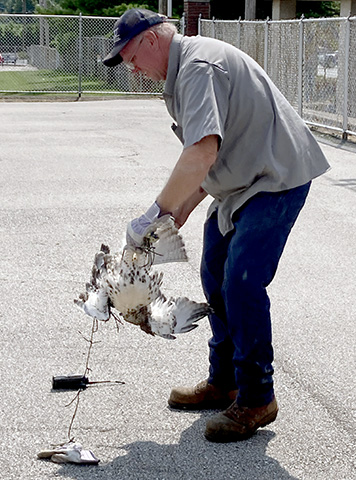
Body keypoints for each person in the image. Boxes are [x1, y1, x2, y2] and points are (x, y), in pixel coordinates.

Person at [103, 8, 330, 443]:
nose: (130, 69)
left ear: (151, 40)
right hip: (241, 185)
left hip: (276, 178)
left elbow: (201, 153)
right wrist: (175, 213)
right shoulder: (182, 72)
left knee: (242, 281)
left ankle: (257, 397)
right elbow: (212, 156)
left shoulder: (196, 68)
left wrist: (152, 213)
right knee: (214, 276)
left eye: (130, 56)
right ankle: (224, 381)